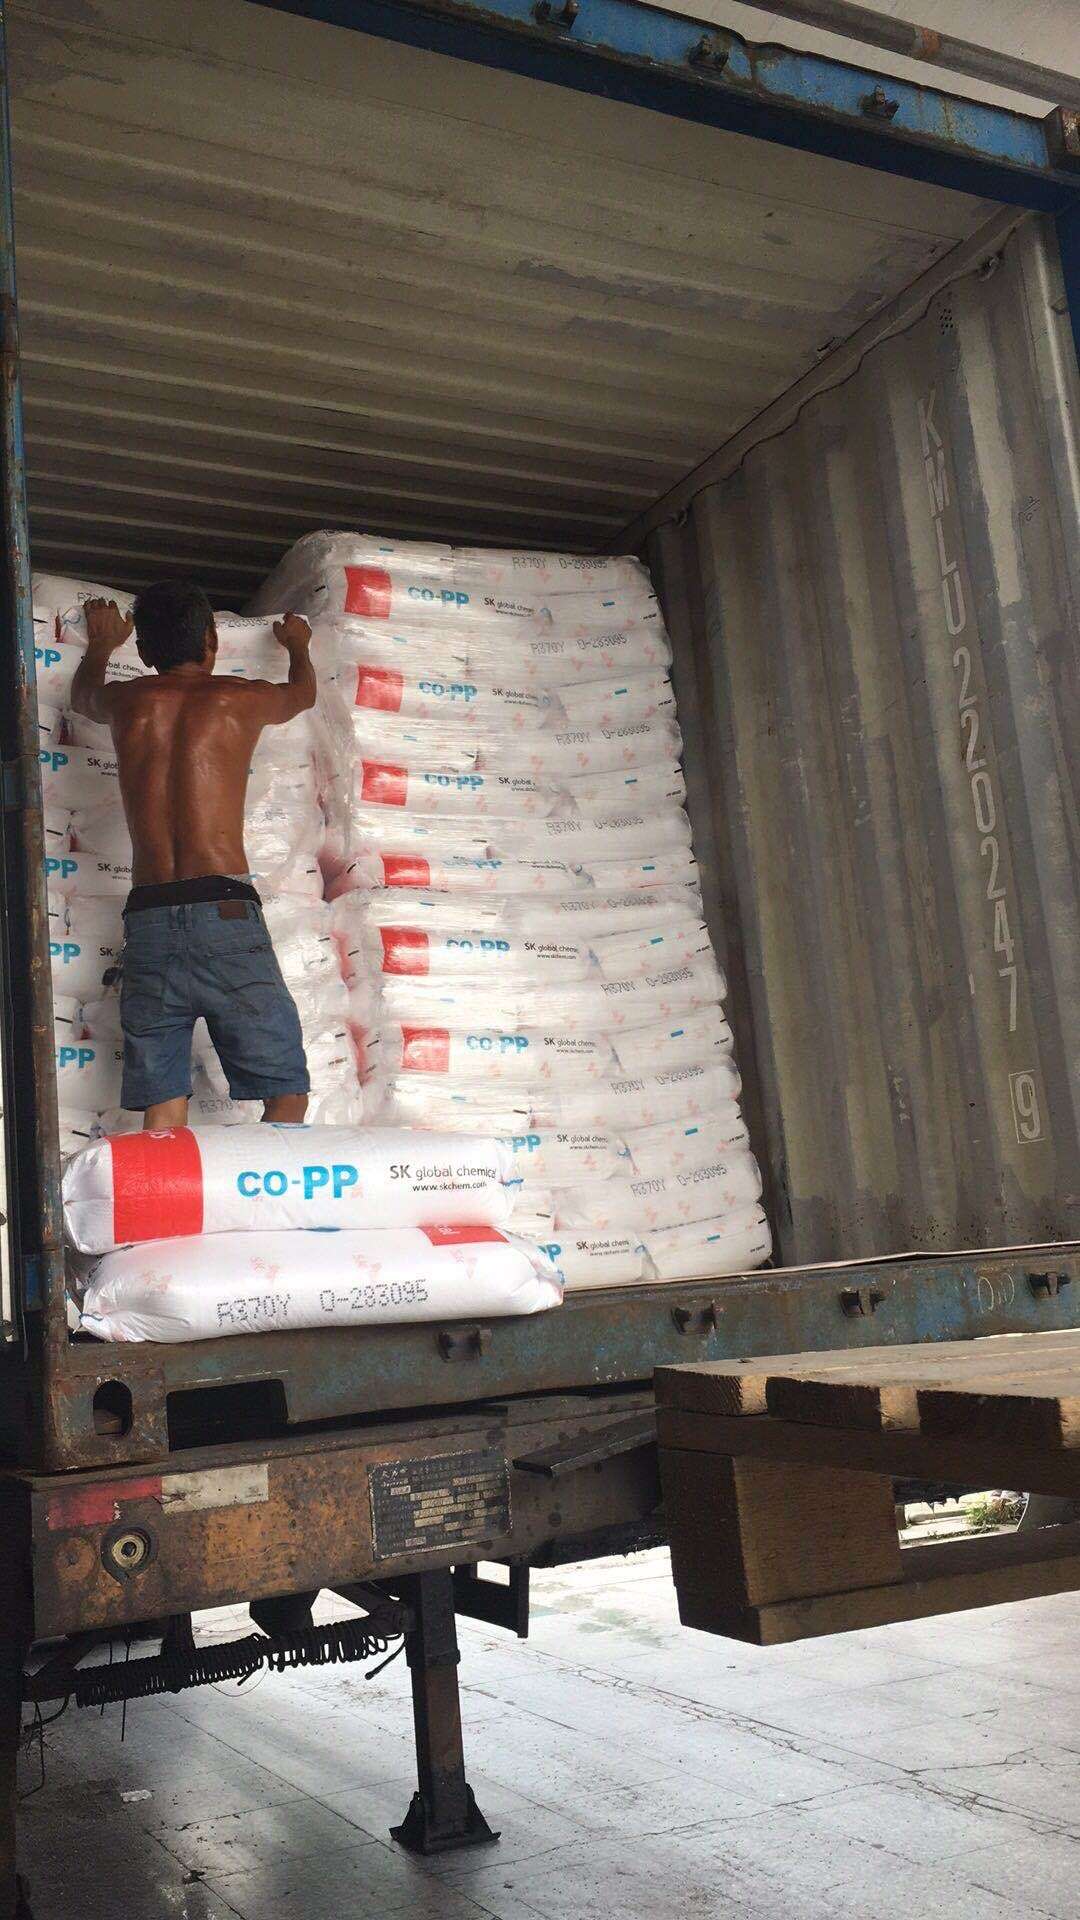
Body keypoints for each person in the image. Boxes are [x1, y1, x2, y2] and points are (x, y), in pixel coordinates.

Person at [70, 582, 316, 1130]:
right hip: (225, 911)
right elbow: (303, 694)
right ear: (212, 641)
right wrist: (298, 645)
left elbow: (82, 697)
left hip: (149, 918)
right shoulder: (242, 698)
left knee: (163, 1109)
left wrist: (102, 644)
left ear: (143, 652)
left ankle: (172, 1184)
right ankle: (259, 1184)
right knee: (286, 1094)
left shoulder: (125, 701)